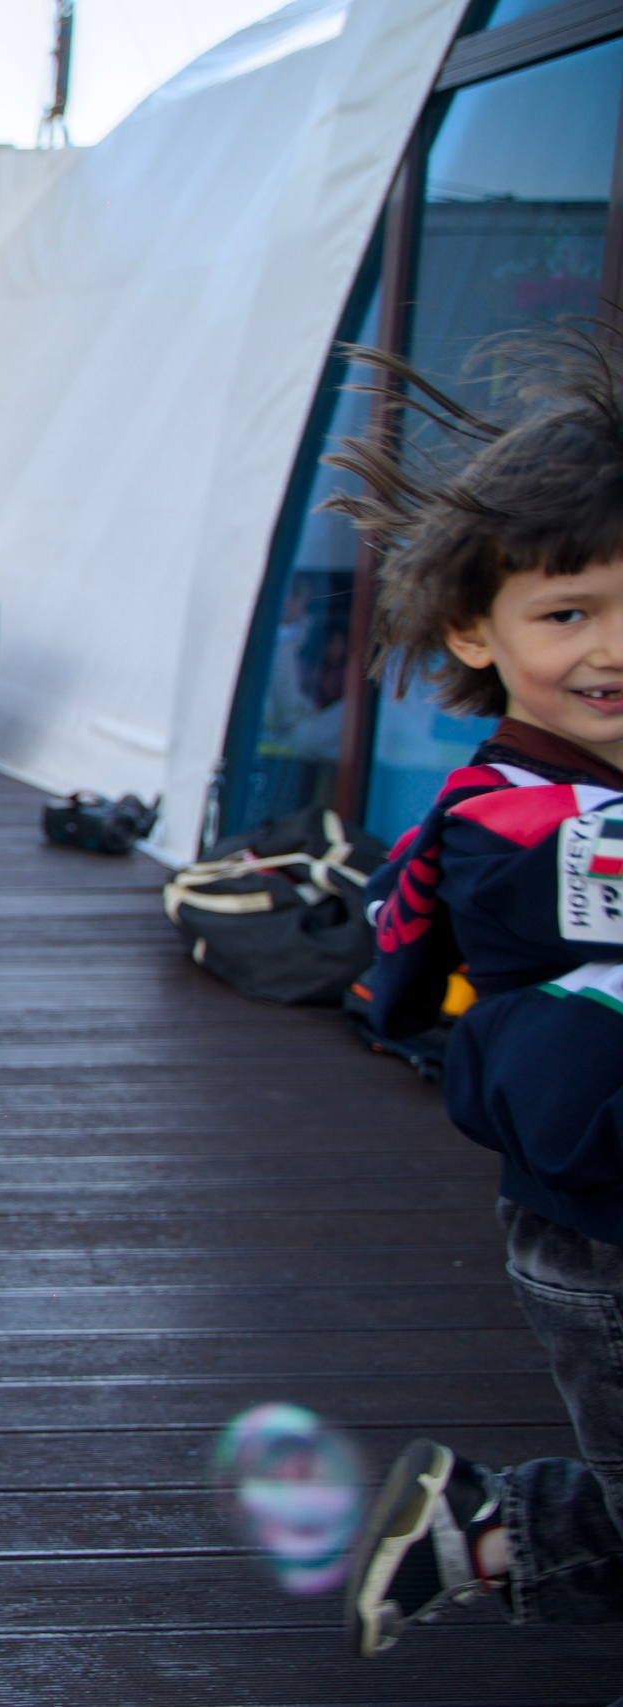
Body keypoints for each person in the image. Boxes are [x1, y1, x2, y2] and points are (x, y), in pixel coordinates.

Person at [339, 338, 623, 1658]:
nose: (611, 650)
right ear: (475, 629)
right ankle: (489, 1534)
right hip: (598, 1225)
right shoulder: (527, 825)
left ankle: (477, 1531)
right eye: (568, 613)